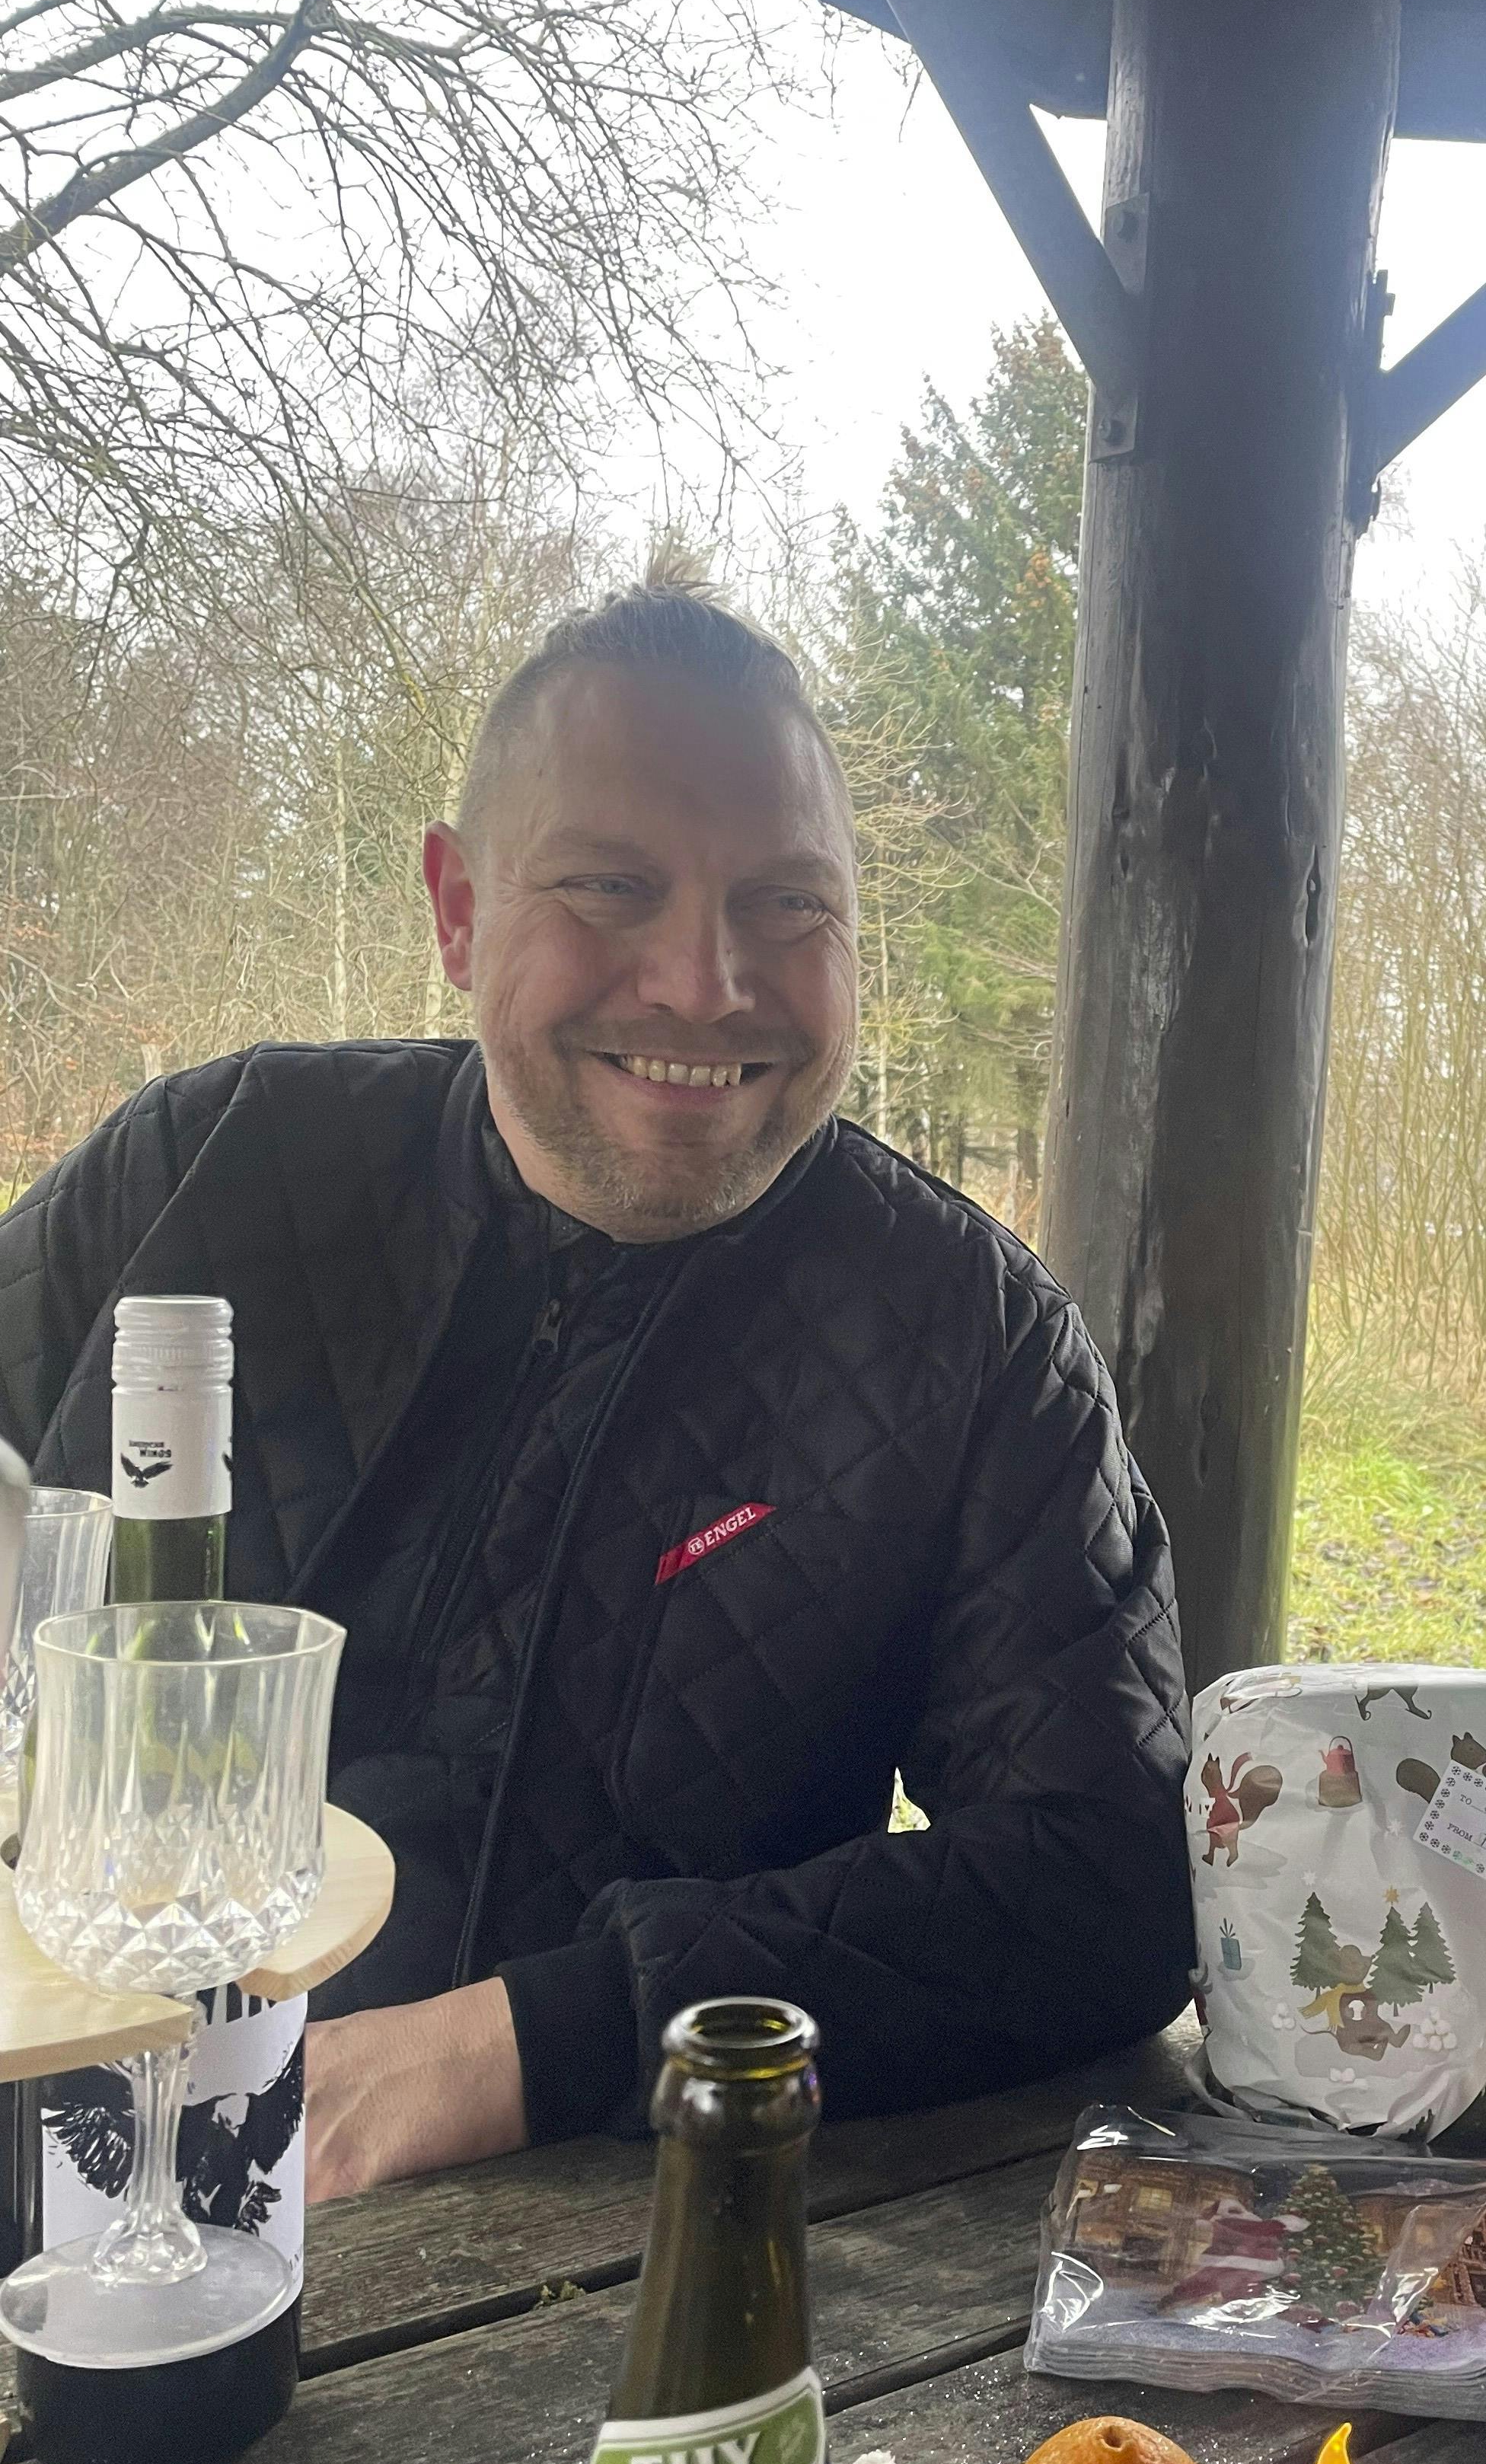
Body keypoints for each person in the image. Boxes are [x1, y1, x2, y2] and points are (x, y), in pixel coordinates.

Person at [0, 554, 1194, 2199]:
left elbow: (1111, 1889)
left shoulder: (973, 1340)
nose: (708, 982)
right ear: (455, 909)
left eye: (788, 904)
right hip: (54, 2176)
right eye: (612, 889)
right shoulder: (205, 1175)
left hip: (576, 2272)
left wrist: (554, 2035)